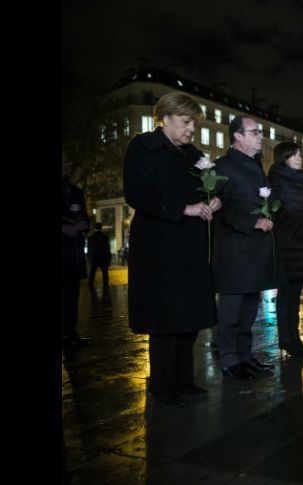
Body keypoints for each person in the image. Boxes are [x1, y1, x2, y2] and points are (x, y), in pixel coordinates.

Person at [123, 92, 221, 406]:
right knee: (166, 320)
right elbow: (137, 194)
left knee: (189, 318)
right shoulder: (142, 147)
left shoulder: (195, 155)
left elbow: (206, 190)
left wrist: (212, 201)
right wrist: (184, 209)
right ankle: (164, 387)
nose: (192, 128)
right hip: (159, 249)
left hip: (190, 248)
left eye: (193, 122)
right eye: (186, 121)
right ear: (165, 118)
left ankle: (185, 381)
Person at [211, 116, 277, 378]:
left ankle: (246, 355)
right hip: (233, 249)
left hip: (255, 248)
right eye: (255, 132)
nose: (260, 136)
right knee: (231, 308)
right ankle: (229, 359)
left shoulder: (256, 166)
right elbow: (219, 208)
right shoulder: (221, 166)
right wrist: (253, 221)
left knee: (251, 306)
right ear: (238, 136)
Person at [268, 142, 303, 357]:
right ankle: (287, 340)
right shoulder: (276, 178)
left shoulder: (302, 179)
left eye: (300, 154)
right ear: (284, 157)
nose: (300, 158)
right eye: (295, 155)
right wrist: (297, 226)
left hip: (302, 241)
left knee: (295, 292)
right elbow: (276, 210)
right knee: (286, 292)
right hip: (286, 241)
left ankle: (294, 338)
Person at [62, 153, 90, 347]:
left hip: (73, 254)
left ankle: (70, 332)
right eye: (64, 161)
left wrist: (80, 225)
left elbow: (86, 219)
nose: (68, 165)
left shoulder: (76, 192)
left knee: (72, 295)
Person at [87, 223, 111, 288]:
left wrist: (89, 258)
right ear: (101, 228)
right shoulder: (105, 237)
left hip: (94, 258)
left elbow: (89, 249)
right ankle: (105, 286)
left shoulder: (90, 237)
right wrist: (109, 258)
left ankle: (90, 286)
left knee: (92, 273)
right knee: (105, 273)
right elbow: (107, 248)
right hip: (103, 258)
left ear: (95, 228)